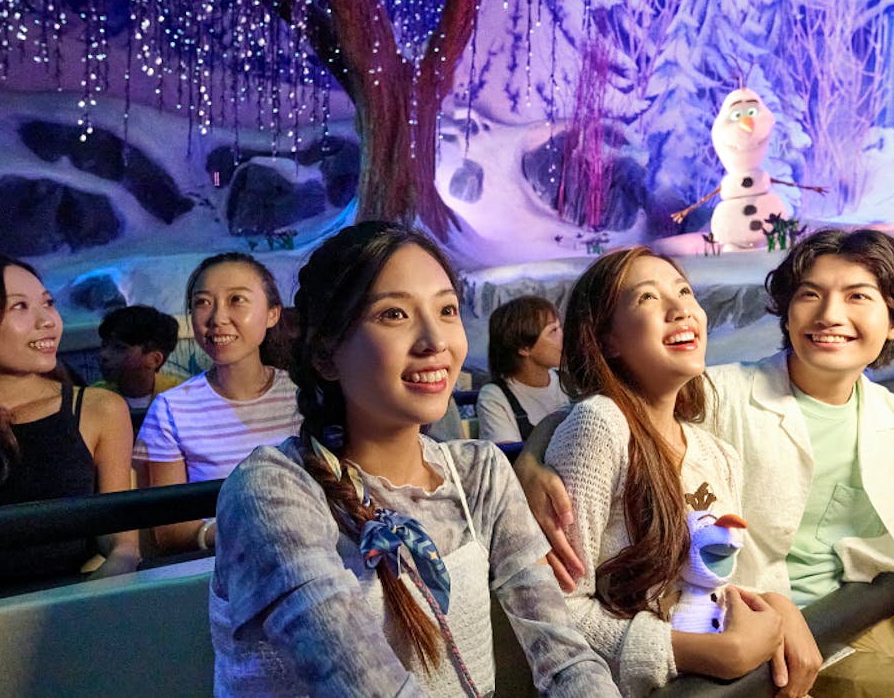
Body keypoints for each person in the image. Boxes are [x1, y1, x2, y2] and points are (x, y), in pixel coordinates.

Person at [522, 230, 894, 697]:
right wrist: (527, 460)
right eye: (810, 295)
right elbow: (610, 413)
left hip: (875, 618)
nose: (830, 314)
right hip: (805, 643)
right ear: (787, 314)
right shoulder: (717, 394)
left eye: (858, 296)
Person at [209, 220, 616, 696]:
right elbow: (365, 683)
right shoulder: (271, 491)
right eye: (394, 315)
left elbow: (566, 658)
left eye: (446, 310)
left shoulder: (478, 474)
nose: (434, 341)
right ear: (325, 355)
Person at [543, 246, 821, 698]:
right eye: (647, 298)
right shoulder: (600, 426)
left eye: (685, 291)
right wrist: (689, 652)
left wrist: (773, 606)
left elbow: (711, 584)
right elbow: (556, 610)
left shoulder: (718, 453)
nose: (680, 310)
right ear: (606, 338)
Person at [0, 254, 139, 597]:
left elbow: (121, 539)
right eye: (20, 307)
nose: (47, 320)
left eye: (48, 303)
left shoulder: (98, 409)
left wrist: (111, 577)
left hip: (58, 615)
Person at [133, 253, 300, 555]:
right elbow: (168, 531)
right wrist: (244, 534)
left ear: (273, 313)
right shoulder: (171, 409)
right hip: (215, 572)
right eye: (203, 302)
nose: (217, 318)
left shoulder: (304, 395)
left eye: (237, 299)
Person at [476, 295, 569, 443]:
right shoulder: (495, 396)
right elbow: (508, 458)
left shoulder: (569, 383)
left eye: (560, 328)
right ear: (524, 348)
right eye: (553, 331)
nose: (563, 336)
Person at [93, 304, 183, 433]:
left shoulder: (179, 396)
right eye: (104, 345)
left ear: (154, 360)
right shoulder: (95, 398)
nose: (104, 354)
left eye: (119, 348)